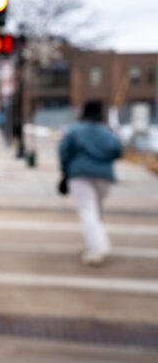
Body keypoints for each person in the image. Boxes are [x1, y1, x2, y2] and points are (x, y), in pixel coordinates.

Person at [58, 101, 122, 266]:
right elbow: (118, 151)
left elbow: (64, 151)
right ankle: (95, 245)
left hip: (79, 174)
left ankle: (97, 249)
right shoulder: (107, 131)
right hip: (104, 176)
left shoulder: (75, 130)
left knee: (88, 212)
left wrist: (65, 172)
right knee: (96, 212)